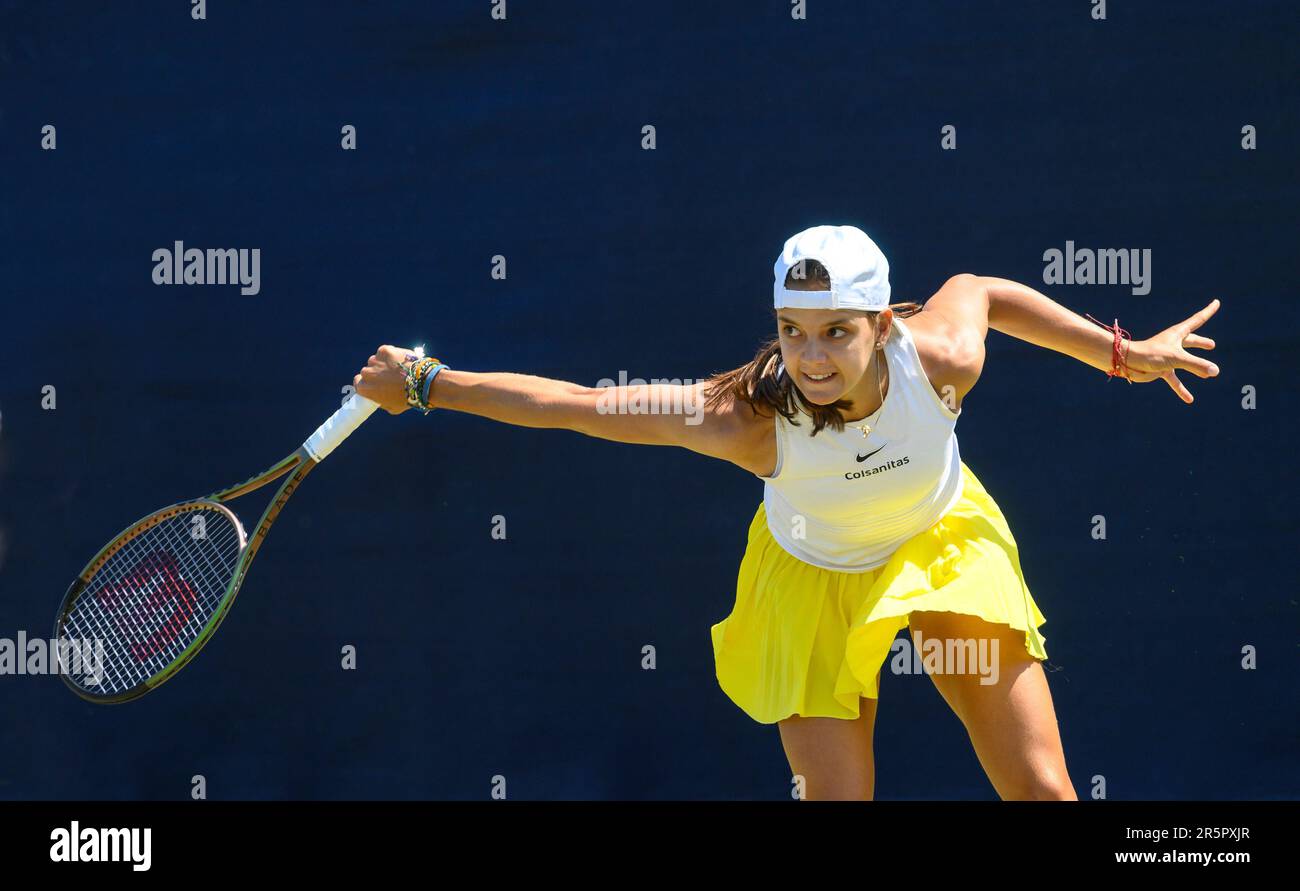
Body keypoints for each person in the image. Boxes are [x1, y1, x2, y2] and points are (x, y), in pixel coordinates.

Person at [353, 224, 1221, 800]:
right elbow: (574, 404)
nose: (810, 355)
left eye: (837, 331)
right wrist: (427, 384)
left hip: (943, 542)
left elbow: (983, 289)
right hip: (810, 578)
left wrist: (1121, 353)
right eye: (793, 328)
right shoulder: (742, 421)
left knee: (1042, 789)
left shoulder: (945, 357)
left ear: (882, 325)